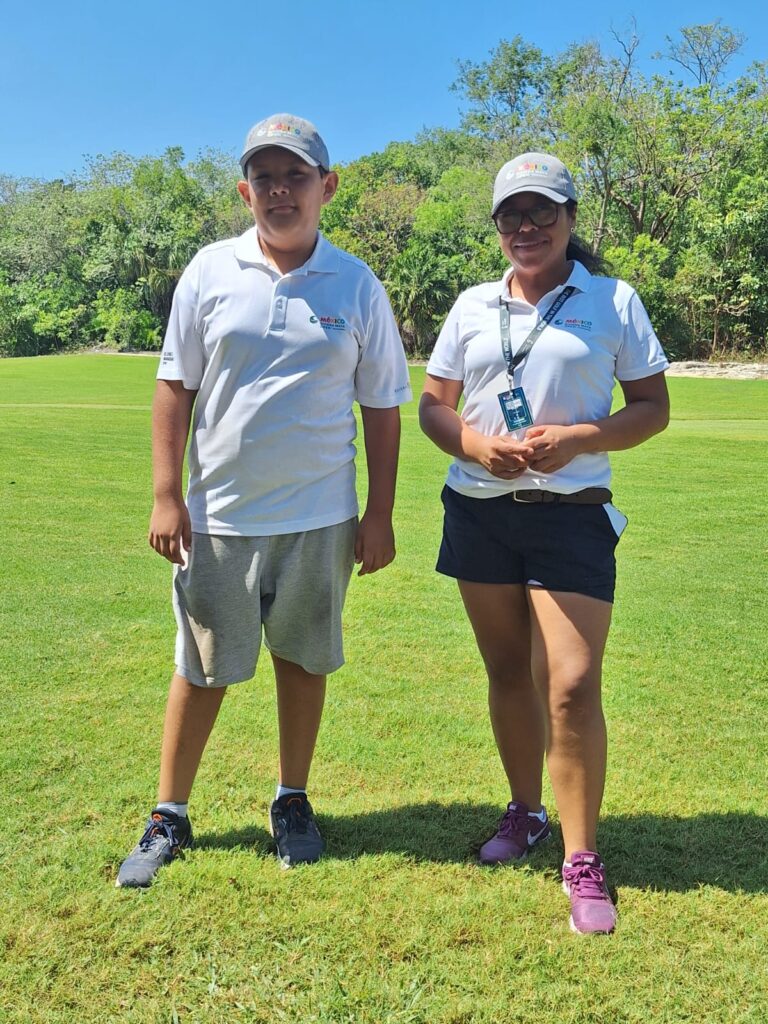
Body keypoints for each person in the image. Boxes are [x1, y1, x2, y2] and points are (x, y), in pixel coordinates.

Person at [116, 114, 411, 887]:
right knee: (202, 666)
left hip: (321, 516)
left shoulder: (356, 283)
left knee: (304, 659)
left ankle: (292, 799)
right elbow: (174, 385)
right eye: (265, 178)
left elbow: (382, 405)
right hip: (220, 515)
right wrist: (165, 494)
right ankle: (169, 813)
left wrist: (379, 513)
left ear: (327, 187)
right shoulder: (210, 271)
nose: (281, 191)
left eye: (296, 176)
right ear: (246, 192)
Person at [419, 152, 669, 934]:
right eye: (511, 215)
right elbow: (433, 406)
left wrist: (580, 438)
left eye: (542, 212)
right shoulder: (473, 305)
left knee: (570, 685)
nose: (526, 227)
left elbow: (653, 406)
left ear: (569, 217)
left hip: (571, 515)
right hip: (480, 511)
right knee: (507, 672)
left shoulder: (612, 300)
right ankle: (525, 811)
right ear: (497, 225)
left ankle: (581, 857)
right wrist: (473, 445)